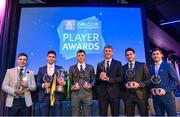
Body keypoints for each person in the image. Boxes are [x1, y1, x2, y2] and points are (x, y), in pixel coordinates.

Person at [96, 45, 123, 116]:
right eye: (106, 51)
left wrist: (109, 79)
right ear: (103, 53)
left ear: (112, 52)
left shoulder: (118, 63)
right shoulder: (99, 64)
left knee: (115, 114)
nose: (107, 52)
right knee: (102, 114)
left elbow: (121, 78)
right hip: (102, 94)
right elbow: (97, 79)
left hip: (114, 94)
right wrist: (100, 78)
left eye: (109, 51)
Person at [149, 48, 177, 116]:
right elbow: (150, 81)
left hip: (168, 97)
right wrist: (151, 89)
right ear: (152, 56)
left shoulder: (168, 65)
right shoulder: (150, 67)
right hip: (156, 98)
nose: (155, 55)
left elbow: (175, 81)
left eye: (157, 54)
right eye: (153, 54)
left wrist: (165, 90)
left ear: (161, 55)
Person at [36, 50, 66, 116]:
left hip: (56, 97)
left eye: (53, 57)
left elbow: (64, 83)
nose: (51, 58)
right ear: (47, 58)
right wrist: (43, 85)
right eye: (50, 57)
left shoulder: (60, 69)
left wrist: (62, 83)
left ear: (55, 59)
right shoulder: (41, 69)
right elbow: (37, 83)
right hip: (44, 98)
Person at [123, 48, 150, 116]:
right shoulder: (123, 67)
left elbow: (149, 79)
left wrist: (139, 84)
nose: (129, 56)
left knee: (144, 114)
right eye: (127, 55)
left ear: (134, 55)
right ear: (125, 56)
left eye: (131, 54)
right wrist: (125, 84)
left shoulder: (142, 65)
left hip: (141, 95)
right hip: (128, 96)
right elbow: (121, 81)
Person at [69, 49, 95, 116]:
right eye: (79, 55)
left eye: (82, 55)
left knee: (88, 115)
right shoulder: (71, 68)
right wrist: (72, 87)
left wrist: (91, 85)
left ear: (85, 56)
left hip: (87, 95)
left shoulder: (90, 67)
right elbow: (69, 81)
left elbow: (94, 80)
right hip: (75, 95)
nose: (80, 57)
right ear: (76, 57)